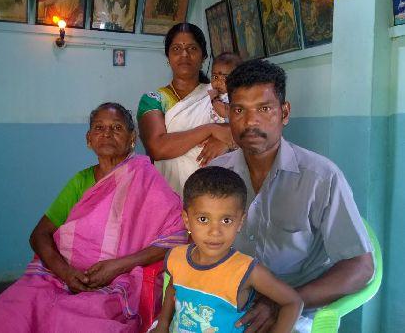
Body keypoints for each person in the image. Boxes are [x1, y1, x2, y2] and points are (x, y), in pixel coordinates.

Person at [0, 102, 187, 333]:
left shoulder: (147, 180)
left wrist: (118, 266)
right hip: (62, 274)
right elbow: (39, 235)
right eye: (99, 128)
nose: (107, 133)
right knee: (10, 313)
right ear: (89, 139)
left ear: (132, 138)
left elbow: (176, 238)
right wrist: (66, 273)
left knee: (76, 321)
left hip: (120, 278)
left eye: (116, 127)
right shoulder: (80, 181)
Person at [209, 59, 374, 333]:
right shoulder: (216, 174)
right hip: (227, 305)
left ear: (284, 113)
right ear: (229, 114)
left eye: (264, 108)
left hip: (298, 310)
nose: (250, 122)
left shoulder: (321, 178)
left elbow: (360, 266)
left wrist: (283, 302)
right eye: (240, 109)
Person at [151, 167, 303, 333]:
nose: (215, 232)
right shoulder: (176, 257)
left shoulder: (248, 271)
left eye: (226, 220)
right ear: (187, 220)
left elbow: (293, 302)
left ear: (240, 222)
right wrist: (163, 324)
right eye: (203, 219)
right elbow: (173, 287)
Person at [137, 22, 234, 196]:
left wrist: (226, 141)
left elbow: (247, 131)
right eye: (176, 49)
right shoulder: (153, 100)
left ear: (203, 55)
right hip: (168, 197)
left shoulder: (220, 93)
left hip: (218, 195)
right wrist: (210, 130)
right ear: (167, 57)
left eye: (192, 48)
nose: (184, 54)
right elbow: (158, 148)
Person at [208, 52, 243, 123]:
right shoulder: (219, 93)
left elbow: (224, 112)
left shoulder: (234, 95)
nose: (218, 82)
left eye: (224, 78)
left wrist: (214, 99)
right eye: (215, 77)